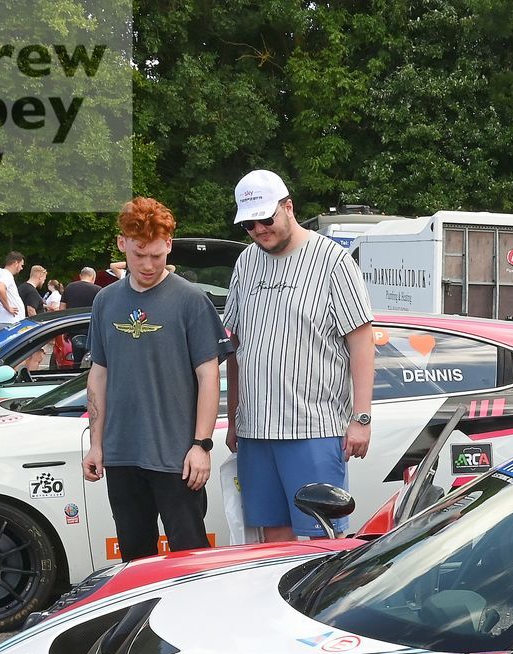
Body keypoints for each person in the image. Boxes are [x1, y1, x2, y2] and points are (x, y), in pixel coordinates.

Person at [223, 169, 376, 540]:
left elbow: (362, 342)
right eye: (249, 225)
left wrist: (362, 418)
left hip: (314, 428)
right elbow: (234, 345)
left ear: (288, 207)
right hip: (255, 430)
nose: (259, 230)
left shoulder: (334, 262)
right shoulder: (246, 262)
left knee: (321, 538)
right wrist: (233, 419)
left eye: (266, 219)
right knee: (271, 537)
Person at [83, 197, 226, 562]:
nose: (147, 265)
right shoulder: (105, 301)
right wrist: (96, 445)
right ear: (122, 245)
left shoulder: (191, 300)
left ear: (169, 246)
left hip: (177, 457)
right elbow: (99, 374)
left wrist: (201, 445)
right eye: (138, 254)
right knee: (135, 560)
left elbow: (209, 375)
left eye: (156, 256)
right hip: (122, 454)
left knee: (190, 556)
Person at [60, 268, 100, 369]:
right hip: (91, 330)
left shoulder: (69, 288)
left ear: (80, 276)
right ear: (93, 277)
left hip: (73, 329)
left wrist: (64, 329)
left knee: (77, 360)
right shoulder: (98, 289)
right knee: (92, 361)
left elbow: (62, 310)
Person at [0, 252, 26, 332]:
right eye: (21, 265)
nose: (21, 268)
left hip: (3, 320)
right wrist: (7, 307)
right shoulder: (6, 274)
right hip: (10, 321)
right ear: (16, 263)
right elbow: (0, 288)